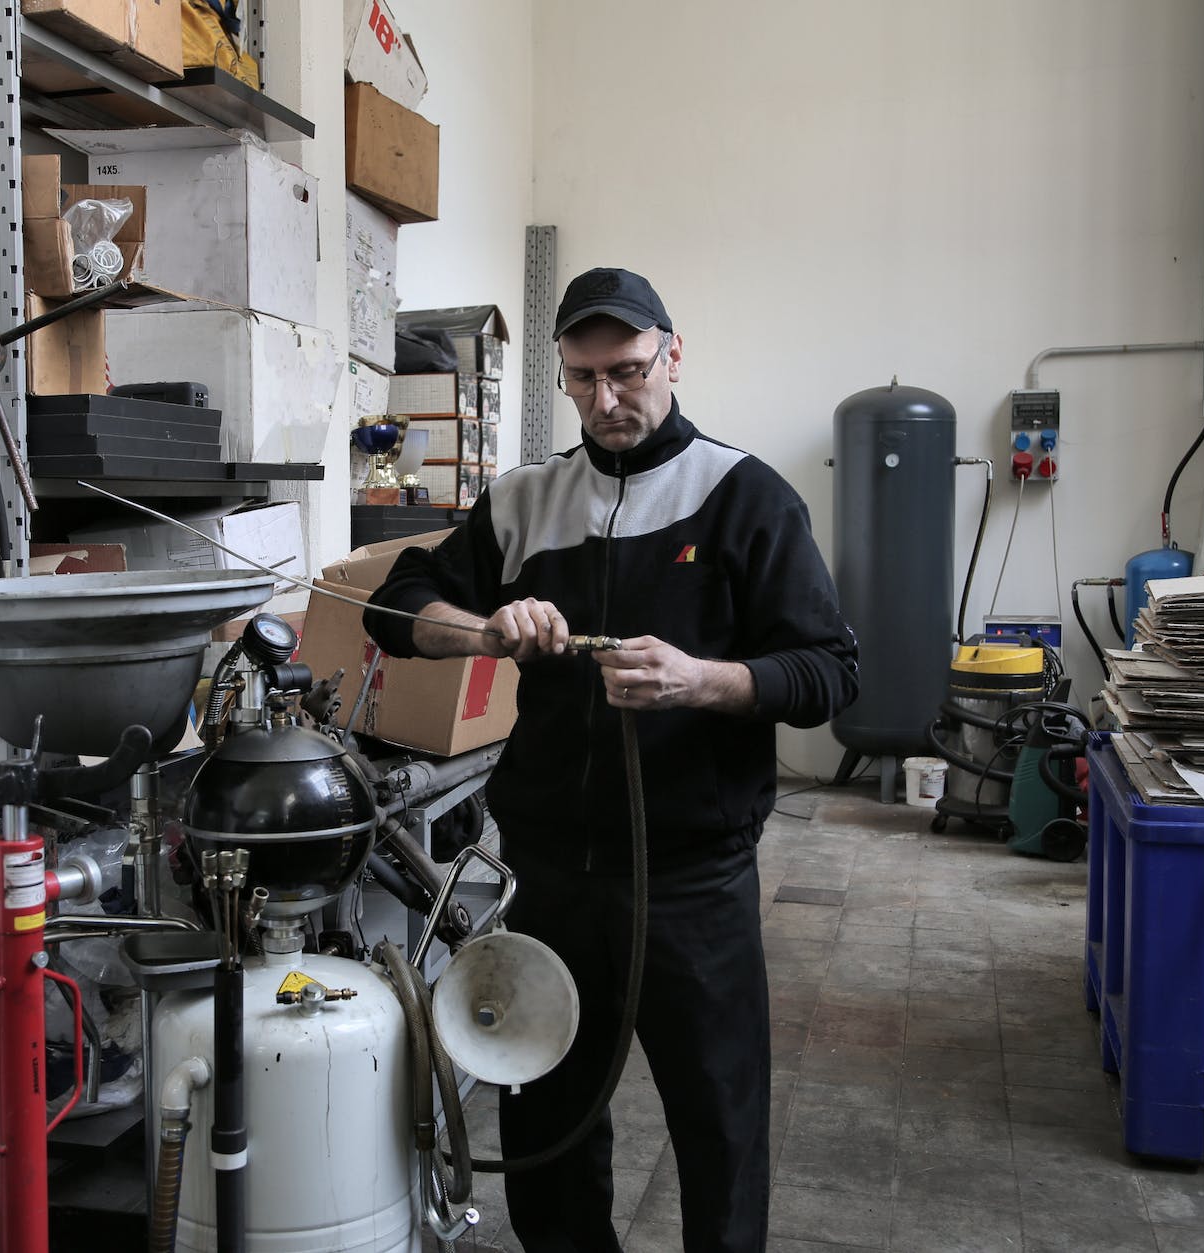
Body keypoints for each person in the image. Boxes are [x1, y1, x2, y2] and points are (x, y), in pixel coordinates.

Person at [362, 267, 859, 1253]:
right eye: (583, 378)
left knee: (716, 1128)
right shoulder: (523, 502)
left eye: (627, 372)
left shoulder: (741, 497)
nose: (605, 400)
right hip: (549, 880)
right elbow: (391, 605)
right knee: (547, 1130)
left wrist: (700, 681)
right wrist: (484, 629)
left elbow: (829, 672)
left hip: (691, 882)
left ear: (672, 356)